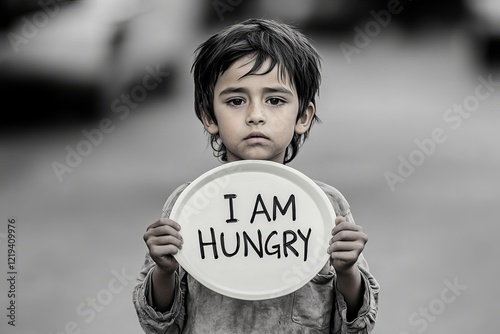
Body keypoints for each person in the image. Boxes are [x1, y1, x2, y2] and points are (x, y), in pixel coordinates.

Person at [133, 18, 379, 333]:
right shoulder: (190, 206)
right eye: (236, 101)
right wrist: (163, 272)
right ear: (209, 116)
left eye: (275, 100)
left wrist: (348, 272)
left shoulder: (326, 208)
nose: (256, 115)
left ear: (303, 116)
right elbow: (159, 326)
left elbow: (357, 327)